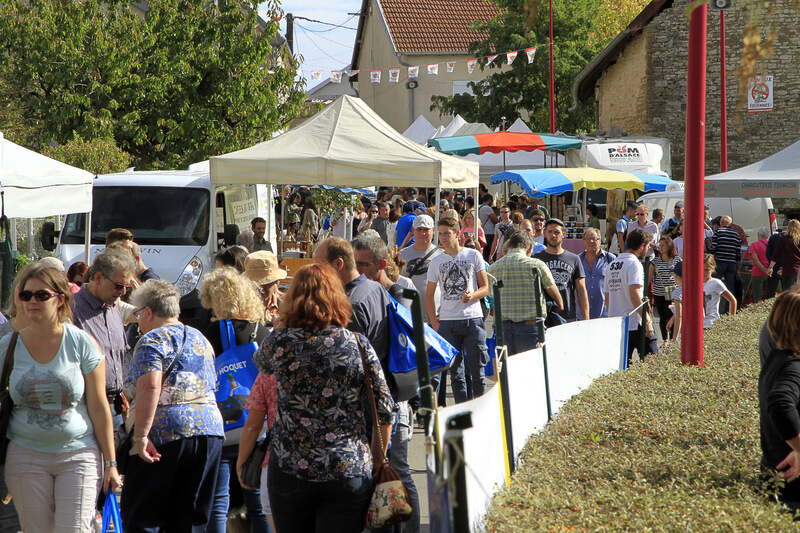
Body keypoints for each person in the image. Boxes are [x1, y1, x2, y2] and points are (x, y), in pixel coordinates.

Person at [253, 264, 395, 533]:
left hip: (289, 464)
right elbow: (385, 410)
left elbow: (261, 363)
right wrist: (377, 460)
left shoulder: (279, 342)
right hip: (347, 467)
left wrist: (280, 325)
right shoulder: (357, 343)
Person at [0, 263, 120, 531]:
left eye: (41, 295)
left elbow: (100, 407)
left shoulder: (81, 342)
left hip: (79, 454)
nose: (32, 301)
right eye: (25, 295)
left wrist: (111, 464)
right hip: (25, 456)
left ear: (60, 299)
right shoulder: (8, 347)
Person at [121, 280, 225, 532]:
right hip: (209, 431)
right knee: (191, 518)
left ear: (148, 311)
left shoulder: (152, 339)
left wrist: (141, 435)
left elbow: (150, 387)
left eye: (137, 314)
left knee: (145, 516)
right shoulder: (200, 337)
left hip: (166, 433)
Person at [351, 235, 420, 533]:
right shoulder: (365, 294)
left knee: (396, 470)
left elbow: (407, 347)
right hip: (376, 401)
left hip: (394, 399)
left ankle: (411, 529)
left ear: (381, 264)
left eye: (363, 264)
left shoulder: (399, 294)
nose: (357, 270)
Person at [199, 268, 270, 533]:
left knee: (218, 503)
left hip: (222, 428)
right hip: (257, 426)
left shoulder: (211, 332)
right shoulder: (261, 332)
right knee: (258, 502)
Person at [71, 251, 138, 438]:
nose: (123, 292)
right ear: (98, 278)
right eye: (119, 286)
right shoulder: (71, 309)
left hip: (116, 409)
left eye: (126, 287)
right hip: (85, 410)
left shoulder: (114, 307)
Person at [426, 217, 489, 403]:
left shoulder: (473, 255)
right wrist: (435, 322)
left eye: (447, 233)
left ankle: (481, 408)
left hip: (473, 318)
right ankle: (462, 412)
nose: (443, 237)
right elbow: (429, 295)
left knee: (477, 371)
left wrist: (473, 295)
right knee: (456, 373)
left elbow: (486, 287)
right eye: (441, 233)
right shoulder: (436, 262)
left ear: (457, 233)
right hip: (447, 321)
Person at [488, 228, 562, 354]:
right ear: (530, 248)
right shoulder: (536, 265)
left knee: (509, 371)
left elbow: (492, 295)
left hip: (504, 329)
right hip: (531, 327)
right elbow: (558, 300)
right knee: (532, 370)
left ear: (508, 246)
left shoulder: (493, 268)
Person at [758, 290, 800, 509]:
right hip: (793, 487)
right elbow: (780, 404)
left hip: (775, 476)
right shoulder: (794, 365)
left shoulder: (775, 359)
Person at [603, 228, 658, 366]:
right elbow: (635, 294)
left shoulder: (612, 265)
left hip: (618, 322)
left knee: (622, 365)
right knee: (653, 363)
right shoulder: (634, 264)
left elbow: (608, 296)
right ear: (642, 246)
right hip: (635, 322)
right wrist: (647, 321)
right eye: (647, 246)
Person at [534, 219, 590, 323]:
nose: (553, 235)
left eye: (557, 232)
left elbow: (581, 290)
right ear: (545, 234)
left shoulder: (574, 259)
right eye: (550, 232)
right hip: (544, 315)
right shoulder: (536, 259)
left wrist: (586, 319)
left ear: (563, 234)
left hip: (567, 315)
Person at [400, 215, 442, 322]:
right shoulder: (402, 255)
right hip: (409, 316)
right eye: (419, 229)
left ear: (433, 230)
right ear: (413, 230)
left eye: (426, 230)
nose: (422, 233)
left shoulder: (442, 256)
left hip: (436, 317)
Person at [578, 228, 615, 319]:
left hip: (604, 313)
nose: (590, 241)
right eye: (587, 239)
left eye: (594, 239)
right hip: (581, 315)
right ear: (583, 241)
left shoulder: (610, 259)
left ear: (600, 241)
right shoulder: (577, 260)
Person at [649, 236, 680, 343]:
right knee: (662, 315)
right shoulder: (655, 260)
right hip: (659, 291)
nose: (660, 248)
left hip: (672, 290)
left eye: (663, 245)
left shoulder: (677, 259)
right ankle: (664, 339)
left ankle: (672, 338)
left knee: (671, 314)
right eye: (660, 245)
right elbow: (649, 277)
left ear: (669, 246)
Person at [709, 215, 742, 314]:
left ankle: (714, 310)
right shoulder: (736, 235)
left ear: (721, 223)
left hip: (720, 262)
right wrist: (737, 269)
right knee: (729, 287)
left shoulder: (718, 232)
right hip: (731, 264)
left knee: (714, 285)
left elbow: (713, 248)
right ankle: (729, 311)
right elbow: (738, 254)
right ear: (730, 224)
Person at [244, 250, 287, 320]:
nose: (260, 288)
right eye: (254, 284)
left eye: (265, 283)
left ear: (277, 281)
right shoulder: (241, 309)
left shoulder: (287, 307)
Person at [702, 254, 737, 329]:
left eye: (706, 270)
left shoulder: (716, 283)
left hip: (711, 323)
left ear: (712, 268)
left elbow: (732, 300)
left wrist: (730, 321)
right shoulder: (695, 283)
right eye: (701, 269)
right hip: (697, 325)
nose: (703, 273)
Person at [769, 219, 800, 292]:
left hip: (788, 269)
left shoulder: (784, 239)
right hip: (799, 269)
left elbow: (776, 254)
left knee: (788, 293)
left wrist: (770, 267)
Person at [748, 227, 771, 303]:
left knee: (757, 297)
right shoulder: (770, 245)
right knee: (769, 296)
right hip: (769, 272)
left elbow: (754, 258)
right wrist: (767, 269)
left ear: (758, 234)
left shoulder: (754, 244)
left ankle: (758, 313)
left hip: (757, 273)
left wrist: (763, 269)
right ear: (767, 236)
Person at [766, 226, 787, 299]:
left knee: (771, 292)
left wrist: (774, 267)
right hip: (788, 269)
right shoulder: (794, 238)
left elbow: (768, 254)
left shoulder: (773, 238)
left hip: (774, 268)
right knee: (787, 292)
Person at [666, 261, 684, 343]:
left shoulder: (677, 292)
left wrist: (674, 339)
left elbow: (679, 315)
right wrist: (672, 318)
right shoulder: (695, 289)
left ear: (676, 276)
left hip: (685, 329)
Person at [478, 194, 498, 262]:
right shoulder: (487, 208)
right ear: (489, 200)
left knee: (485, 253)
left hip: (482, 232)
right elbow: (496, 220)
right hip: (489, 232)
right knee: (491, 252)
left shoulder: (479, 207)